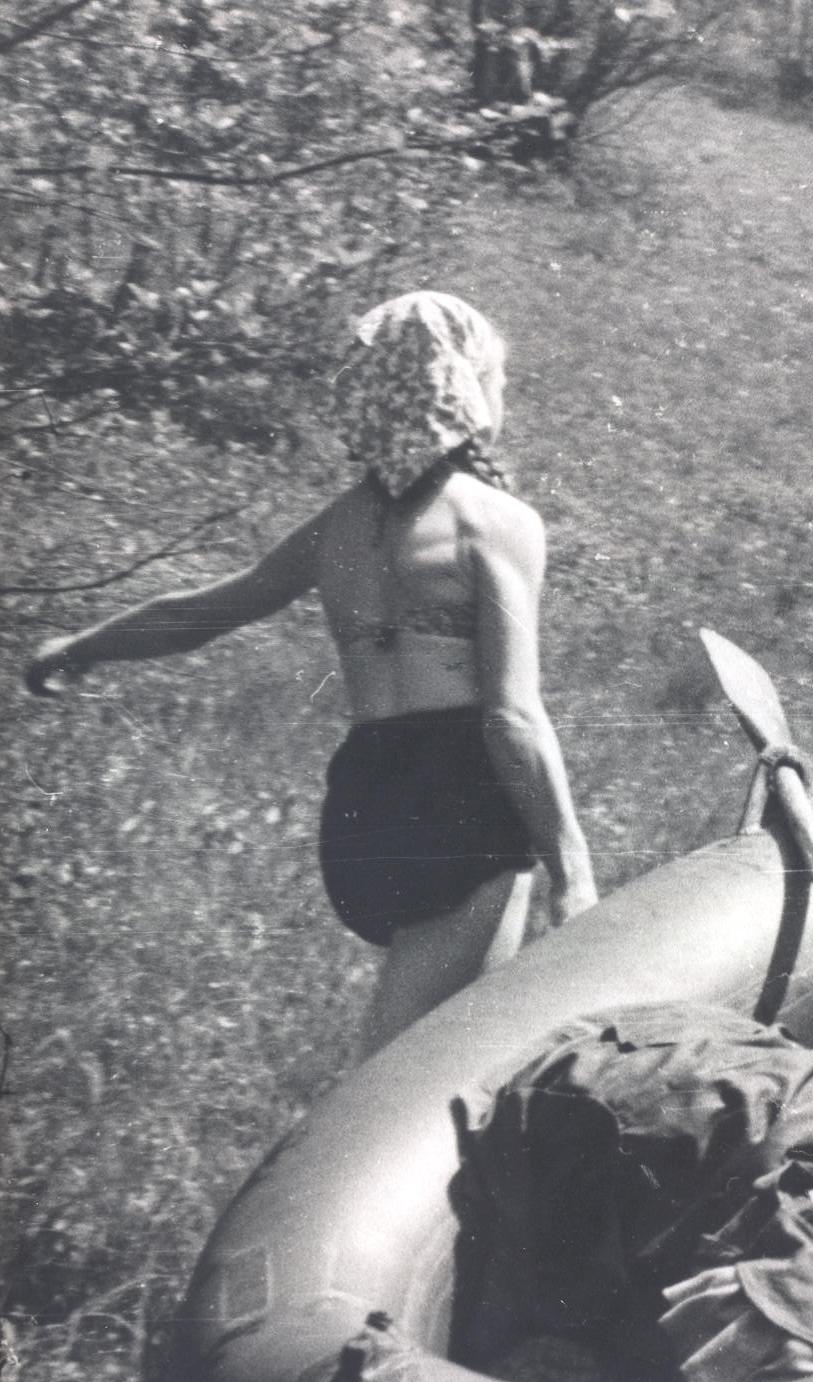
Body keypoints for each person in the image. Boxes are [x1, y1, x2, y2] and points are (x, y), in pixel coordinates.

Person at [24, 291, 597, 1056]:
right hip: (466, 796)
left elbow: (207, 609)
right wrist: (573, 866)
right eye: (497, 376)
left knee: (441, 1051)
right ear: (466, 389)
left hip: (368, 803)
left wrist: (81, 644)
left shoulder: (336, 529)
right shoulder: (498, 523)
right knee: (416, 1066)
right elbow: (511, 716)